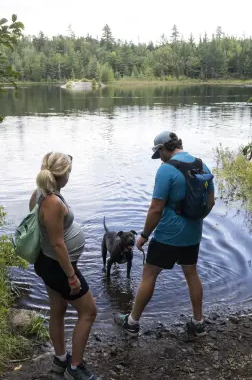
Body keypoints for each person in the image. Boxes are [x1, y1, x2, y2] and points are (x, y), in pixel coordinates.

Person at [114, 131, 215, 337]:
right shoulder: (202, 165)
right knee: (192, 274)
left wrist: (143, 235)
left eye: (159, 153)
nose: (159, 158)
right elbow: (211, 201)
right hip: (193, 234)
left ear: (163, 148)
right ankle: (198, 323)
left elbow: (155, 209)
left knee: (149, 274)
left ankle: (132, 322)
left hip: (168, 234)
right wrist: (193, 222)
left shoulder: (166, 170)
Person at [29, 152, 100, 380]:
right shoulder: (52, 202)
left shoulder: (40, 194)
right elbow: (58, 244)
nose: (70, 175)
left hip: (49, 263)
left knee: (58, 311)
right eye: (69, 171)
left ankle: (60, 361)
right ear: (63, 174)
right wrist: (71, 275)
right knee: (89, 311)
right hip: (58, 265)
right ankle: (75, 368)